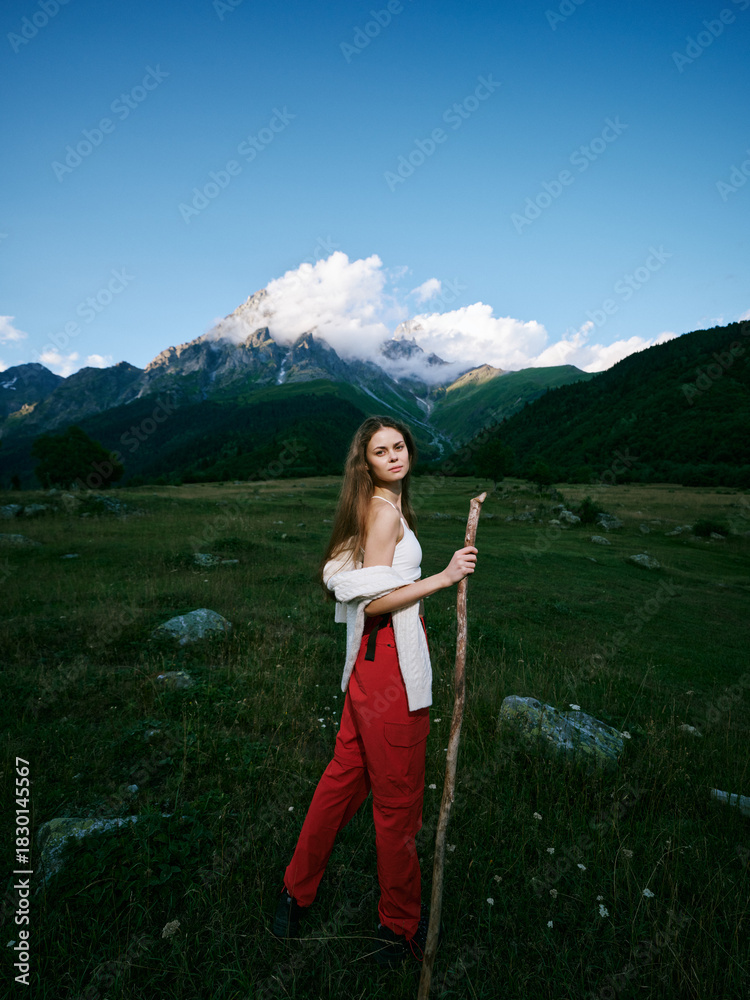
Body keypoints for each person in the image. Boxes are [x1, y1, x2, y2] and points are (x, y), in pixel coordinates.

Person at [271, 415, 478, 966]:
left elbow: (350, 577)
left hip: (366, 667)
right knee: (398, 806)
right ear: (365, 462)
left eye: (399, 446)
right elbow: (371, 602)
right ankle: (400, 929)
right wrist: (443, 577)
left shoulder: (373, 506)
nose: (393, 456)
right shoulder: (384, 513)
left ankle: (296, 891)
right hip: (390, 665)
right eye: (380, 451)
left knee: (341, 782)